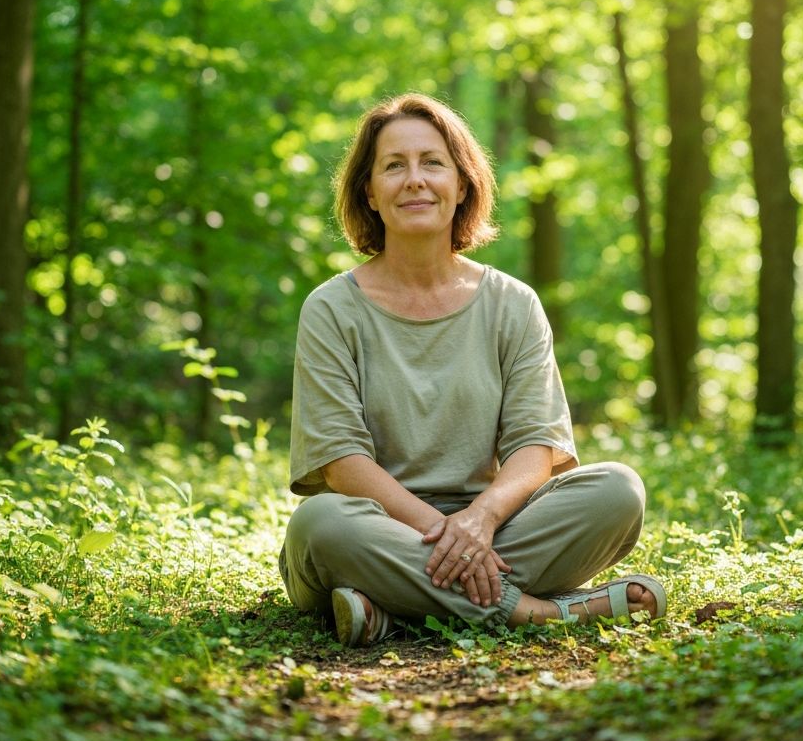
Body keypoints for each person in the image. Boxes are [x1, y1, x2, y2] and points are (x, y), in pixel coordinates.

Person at [279, 93, 665, 646]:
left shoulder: (513, 304)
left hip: (493, 528)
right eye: (394, 166)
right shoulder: (331, 309)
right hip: (372, 528)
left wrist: (480, 521)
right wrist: (446, 533)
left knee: (618, 491)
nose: (415, 180)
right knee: (322, 526)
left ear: (462, 185)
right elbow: (341, 463)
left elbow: (537, 444)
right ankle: (539, 613)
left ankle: (391, 610)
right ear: (369, 191)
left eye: (432, 162)